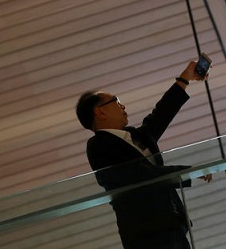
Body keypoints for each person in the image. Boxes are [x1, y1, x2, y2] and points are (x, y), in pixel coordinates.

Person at [75, 60, 211, 249]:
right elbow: (136, 176)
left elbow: (161, 114)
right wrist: (184, 172)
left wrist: (185, 78)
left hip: (173, 224)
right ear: (100, 111)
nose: (122, 106)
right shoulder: (98, 145)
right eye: (116, 101)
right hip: (146, 234)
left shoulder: (135, 135)